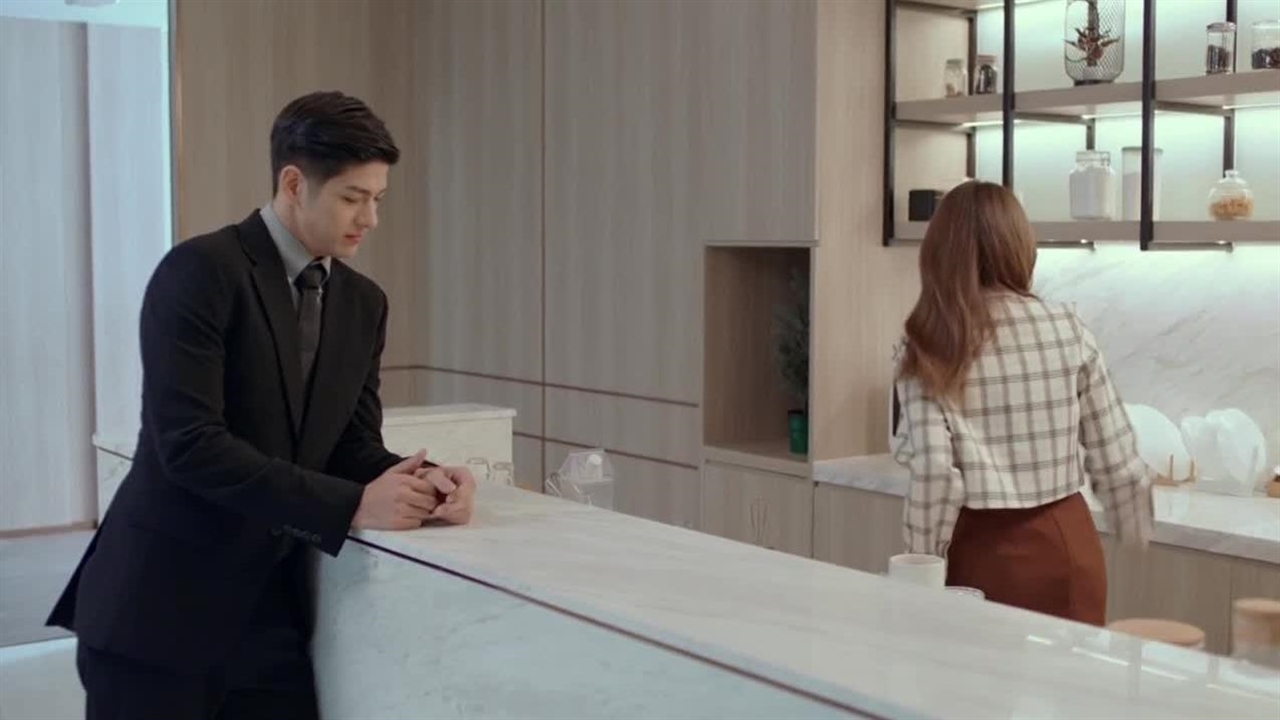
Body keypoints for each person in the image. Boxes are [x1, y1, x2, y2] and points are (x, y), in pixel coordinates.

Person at [47, 90, 476, 719]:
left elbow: (349, 443)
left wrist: (422, 481)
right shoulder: (199, 271)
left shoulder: (364, 303)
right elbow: (190, 444)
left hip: (272, 627)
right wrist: (353, 504)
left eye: (378, 199)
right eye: (352, 198)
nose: (370, 218)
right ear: (294, 183)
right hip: (159, 615)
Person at [892, 180, 1152, 625]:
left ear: (937, 253)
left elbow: (935, 472)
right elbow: (1115, 453)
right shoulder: (1067, 327)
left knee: (973, 671)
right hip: (1070, 547)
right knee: (1072, 671)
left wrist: (920, 565)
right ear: (1020, 246)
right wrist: (1136, 523)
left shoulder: (928, 341)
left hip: (983, 557)